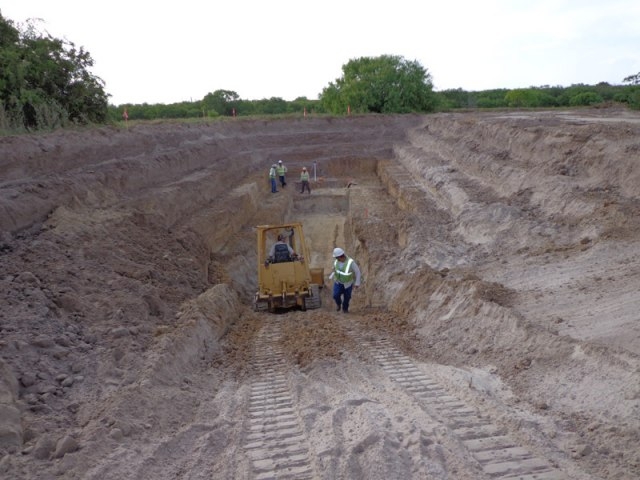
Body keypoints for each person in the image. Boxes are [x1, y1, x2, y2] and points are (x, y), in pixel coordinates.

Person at [329, 247, 361, 313]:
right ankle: (338, 304)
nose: (336, 259)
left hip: (348, 284)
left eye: (336, 257)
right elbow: (334, 269)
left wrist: (357, 283)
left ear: (340, 256)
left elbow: (357, 272)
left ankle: (345, 309)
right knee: (336, 295)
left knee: (347, 297)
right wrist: (332, 274)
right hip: (338, 282)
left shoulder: (350, 262)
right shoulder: (336, 262)